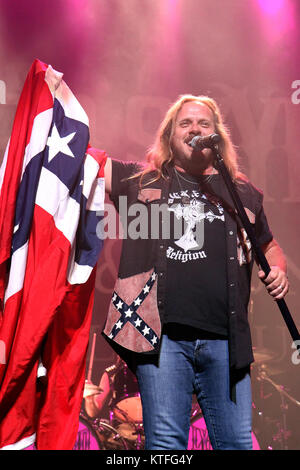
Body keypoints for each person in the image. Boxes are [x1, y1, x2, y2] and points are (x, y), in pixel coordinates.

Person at [101, 94, 289, 450]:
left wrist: (278, 268)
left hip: (226, 342)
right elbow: (88, 164)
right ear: (170, 136)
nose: (195, 129)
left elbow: (269, 246)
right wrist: (54, 108)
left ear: (216, 135)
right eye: (185, 123)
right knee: (167, 446)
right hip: (164, 339)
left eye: (204, 124)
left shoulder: (242, 194)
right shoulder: (142, 182)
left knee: (236, 443)